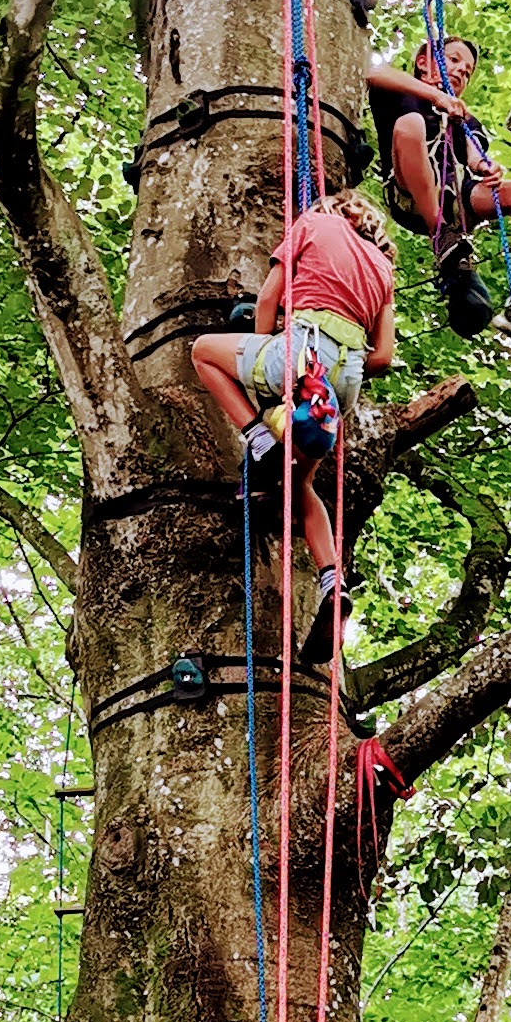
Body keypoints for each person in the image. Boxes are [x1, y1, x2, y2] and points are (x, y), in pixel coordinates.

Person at [187, 189, 397, 670]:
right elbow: (382, 356)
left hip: (301, 356)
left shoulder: (312, 224)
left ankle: (258, 438)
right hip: (342, 385)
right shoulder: (384, 271)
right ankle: (332, 581)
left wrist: (265, 364)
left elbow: (267, 298)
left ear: (336, 210)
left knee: (203, 351)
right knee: (300, 485)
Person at [366, 37, 511, 344]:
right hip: (409, 195)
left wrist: (486, 167)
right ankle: (441, 236)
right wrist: (437, 97)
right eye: (453, 60)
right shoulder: (400, 92)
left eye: (468, 70)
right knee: (411, 124)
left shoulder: (462, 117)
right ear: (424, 62)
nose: (461, 70)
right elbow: (372, 73)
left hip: (457, 201)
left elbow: (474, 154)